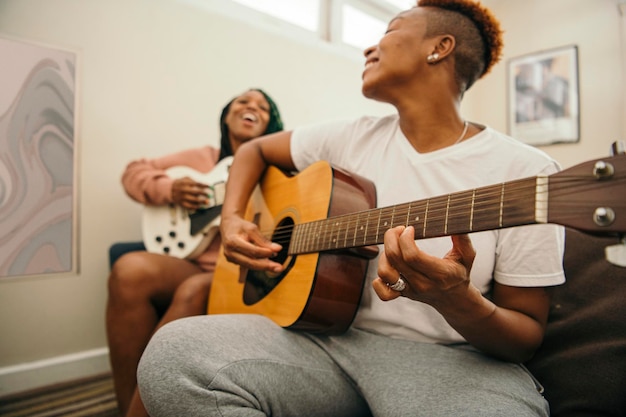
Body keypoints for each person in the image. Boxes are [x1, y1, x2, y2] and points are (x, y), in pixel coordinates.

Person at [137, 1, 566, 416]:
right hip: (324, 343)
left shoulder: (527, 172)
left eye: (391, 30)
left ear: (440, 48)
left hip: (455, 362)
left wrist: (457, 301)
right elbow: (253, 151)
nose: (369, 47)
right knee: (174, 355)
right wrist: (231, 220)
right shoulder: (350, 136)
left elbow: (524, 337)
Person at [106, 88, 284, 417]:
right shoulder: (201, 158)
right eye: (243, 101)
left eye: (262, 106)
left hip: (235, 272)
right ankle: (129, 405)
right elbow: (134, 171)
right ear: (226, 115)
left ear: (271, 123)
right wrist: (168, 188)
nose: (251, 107)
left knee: (194, 290)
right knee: (127, 270)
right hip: (191, 262)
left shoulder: (280, 167)